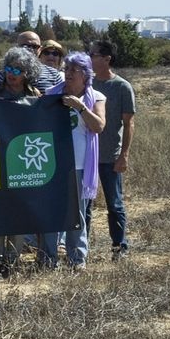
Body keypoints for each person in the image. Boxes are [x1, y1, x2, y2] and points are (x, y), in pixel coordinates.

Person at [0, 48, 45, 274]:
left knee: (17, 211)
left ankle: (12, 259)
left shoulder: (34, 94)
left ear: (27, 72)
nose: (12, 73)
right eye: (8, 68)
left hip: (21, 161)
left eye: (17, 70)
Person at [44, 52, 106, 268]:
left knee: (76, 215)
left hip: (80, 165)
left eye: (74, 70)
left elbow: (98, 126)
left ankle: (77, 259)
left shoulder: (95, 97)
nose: (68, 74)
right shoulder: (51, 96)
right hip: (53, 164)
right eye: (67, 69)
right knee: (51, 211)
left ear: (85, 75)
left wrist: (79, 107)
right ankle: (47, 259)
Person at [89, 39, 135, 259]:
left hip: (110, 156)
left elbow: (129, 123)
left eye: (94, 55)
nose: (90, 58)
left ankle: (119, 246)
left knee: (114, 204)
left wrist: (123, 155)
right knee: (85, 204)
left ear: (107, 58)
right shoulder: (86, 83)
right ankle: (82, 247)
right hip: (87, 156)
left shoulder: (122, 87)